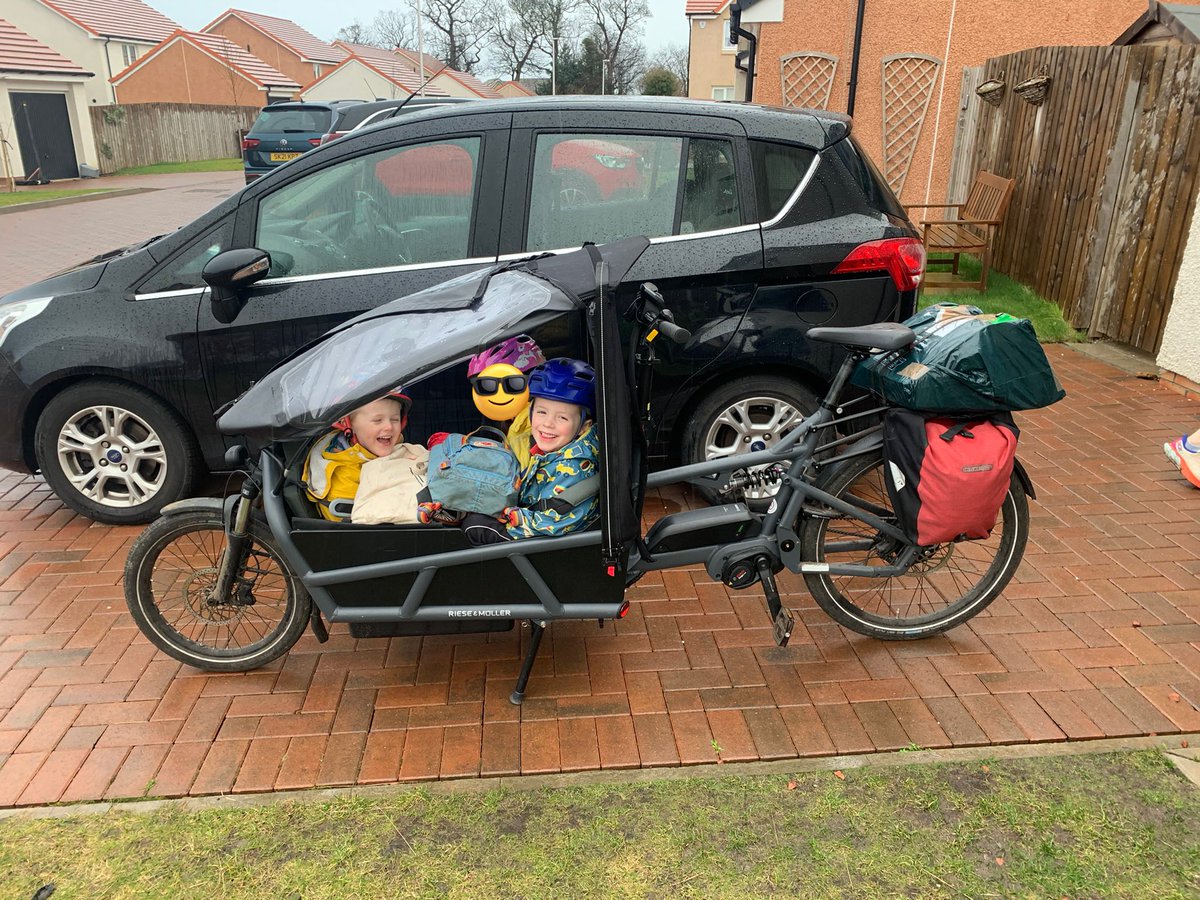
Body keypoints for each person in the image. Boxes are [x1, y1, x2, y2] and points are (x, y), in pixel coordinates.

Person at [454, 358, 600, 544]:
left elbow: (559, 520)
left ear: (583, 427)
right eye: (541, 412)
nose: (548, 423)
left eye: (562, 417)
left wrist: (515, 517)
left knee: (475, 526)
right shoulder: (552, 451)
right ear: (529, 413)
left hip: (545, 542)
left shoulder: (575, 466)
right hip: (531, 520)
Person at [303, 389, 411, 521]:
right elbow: (360, 527)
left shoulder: (373, 443)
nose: (389, 426)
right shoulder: (340, 475)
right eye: (377, 420)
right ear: (349, 424)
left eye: (395, 419)